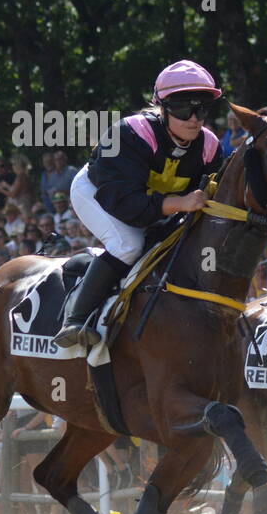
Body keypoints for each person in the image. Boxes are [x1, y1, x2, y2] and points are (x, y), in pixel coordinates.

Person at [54, 60, 225, 348]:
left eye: (202, 108)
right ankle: (75, 318)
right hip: (99, 193)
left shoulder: (209, 146)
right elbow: (126, 204)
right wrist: (180, 203)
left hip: (148, 201)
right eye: (184, 109)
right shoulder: (129, 134)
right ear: (164, 108)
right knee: (128, 245)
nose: (194, 118)